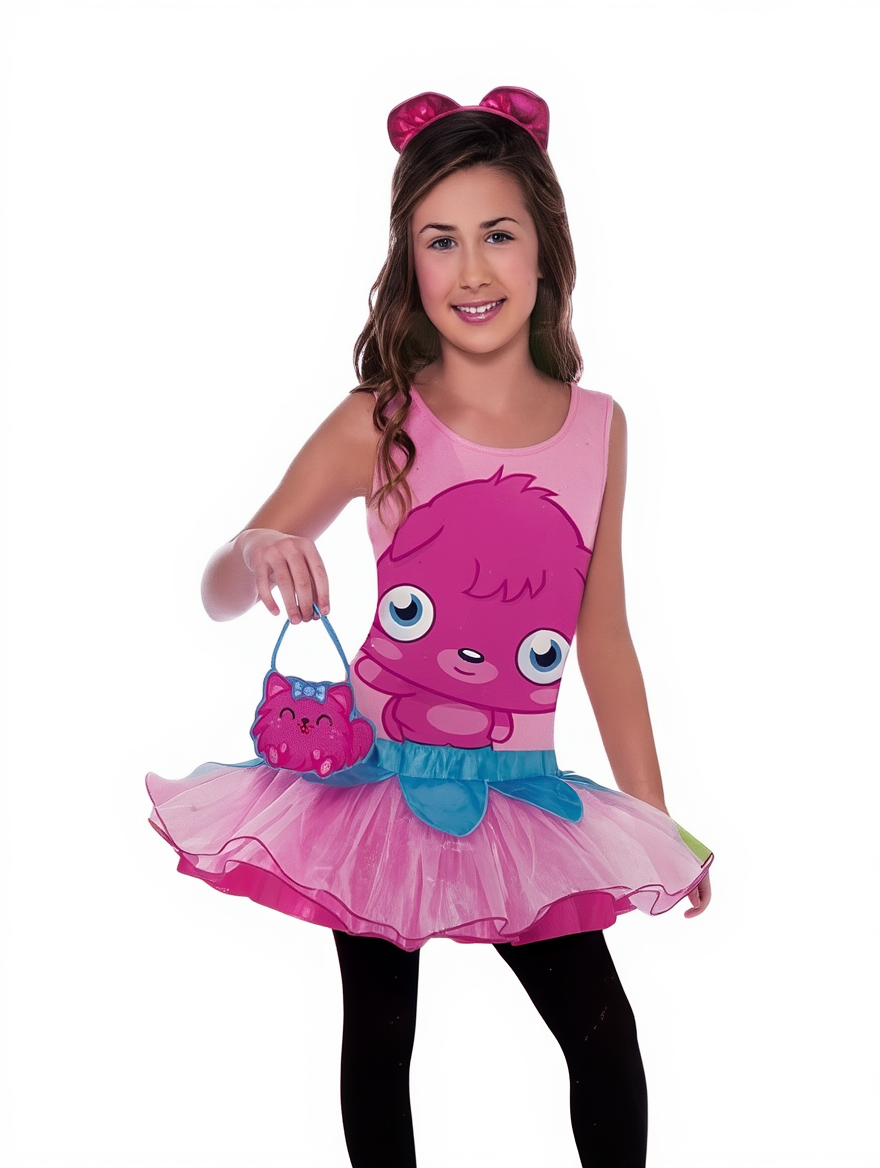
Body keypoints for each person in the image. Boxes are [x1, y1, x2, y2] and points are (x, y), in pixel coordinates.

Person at [146, 86, 713, 1168]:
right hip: (371, 779)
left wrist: (654, 822)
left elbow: (603, 636)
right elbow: (217, 590)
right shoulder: (380, 419)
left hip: (522, 787)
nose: (471, 268)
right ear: (409, 261)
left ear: (545, 247)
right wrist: (257, 549)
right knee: (380, 1035)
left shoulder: (599, 428)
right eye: (439, 240)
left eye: (497, 233)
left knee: (603, 1037)